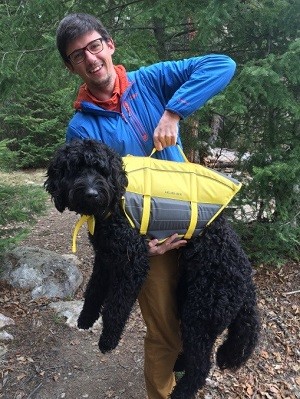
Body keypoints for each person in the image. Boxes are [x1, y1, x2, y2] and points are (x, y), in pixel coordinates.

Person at [56, 13, 236, 399]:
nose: (90, 59)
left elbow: (222, 65)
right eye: (77, 56)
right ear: (71, 67)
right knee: (166, 335)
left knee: (197, 318)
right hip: (145, 244)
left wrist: (173, 111)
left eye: (94, 46)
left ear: (109, 45)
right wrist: (137, 248)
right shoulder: (81, 128)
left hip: (193, 225)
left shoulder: (150, 80)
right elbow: (90, 203)